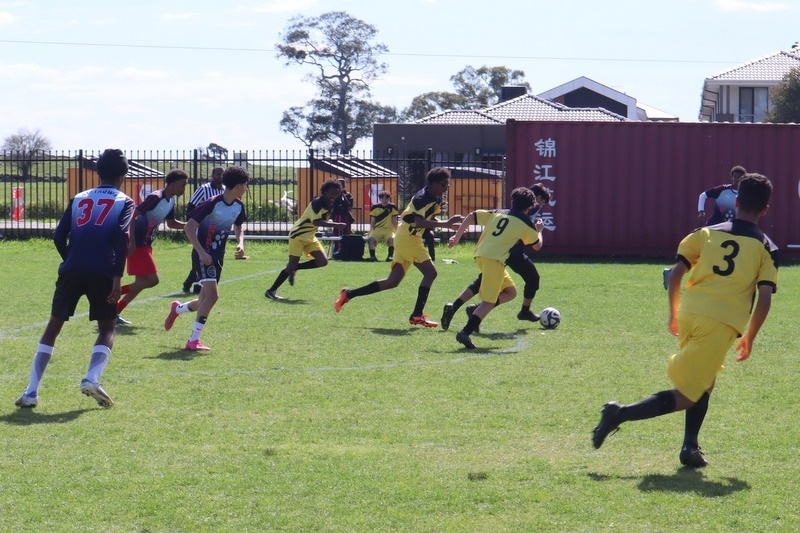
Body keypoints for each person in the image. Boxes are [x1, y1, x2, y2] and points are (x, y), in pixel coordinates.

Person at [593, 173, 777, 468]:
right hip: (721, 321)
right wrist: (750, 337)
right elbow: (764, 296)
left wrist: (673, 312)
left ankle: (690, 448)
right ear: (766, 209)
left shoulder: (706, 233)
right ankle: (619, 413)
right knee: (688, 395)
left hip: (691, 312)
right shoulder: (765, 246)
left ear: (737, 202)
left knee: (705, 382)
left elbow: (677, 273)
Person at [15, 148, 135, 408]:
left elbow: (59, 236)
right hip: (103, 272)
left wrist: (70, 258)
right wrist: (117, 277)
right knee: (107, 327)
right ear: (123, 174)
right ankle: (92, 378)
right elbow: (121, 238)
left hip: (71, 270)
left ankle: (31, 392)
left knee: (53, 327)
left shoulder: (79, 198)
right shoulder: (125, 201)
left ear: (97, 172)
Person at [334, 167, 464, 327]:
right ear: (434, 183)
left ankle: (349, 294)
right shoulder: (421, 198)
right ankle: (417, 315)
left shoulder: (435, 197)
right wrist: (447, 223)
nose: (446, 187)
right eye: (444, 184)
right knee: (431, 273)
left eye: (448, 184)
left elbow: (428, 219)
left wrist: (442, 226)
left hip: (407, 237)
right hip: (409, 239)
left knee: (392, 281)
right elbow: (418, 222)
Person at [441, 184, 550, 331]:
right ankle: (470, 326)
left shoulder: (502, 211)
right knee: (529, 279)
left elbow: (472, 215)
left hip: (486, 252)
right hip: (507, 252)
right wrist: (539, 232)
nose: (540, 205)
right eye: (541, 202)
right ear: (534, 200)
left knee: (498, 287)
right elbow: (536, 246)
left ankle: (455, 307)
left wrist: (457, 236)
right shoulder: (525, 217)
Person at [164, 166, 249, 351]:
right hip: (204, 254)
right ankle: (193, 341)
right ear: (236, 186)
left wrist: (240, 243)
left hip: (218, 256)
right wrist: (202, 252)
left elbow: (238, 226)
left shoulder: (238, 205)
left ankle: (177, 309)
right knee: (213, 296)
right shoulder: (212, 203)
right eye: (245, 185)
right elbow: (189, 227)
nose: (246, 188)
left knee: (203, 300)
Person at [116, 169, 188, 325]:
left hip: (146, 243)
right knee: (153, 280)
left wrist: (190, 226)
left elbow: (171, 223)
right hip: (138, 244)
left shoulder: (171, 201)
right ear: (174, 184)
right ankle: (113, 292)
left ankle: (115, 311)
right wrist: (132, 241)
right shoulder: (156, 197)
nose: (184, 189)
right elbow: (133, 215)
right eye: (183, 185)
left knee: (141, 283)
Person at [663, 165, 749, 290]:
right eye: (735, 176)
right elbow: (703, 195)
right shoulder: (723, 190)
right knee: (705, 255)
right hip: (714, 228)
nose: (737, 179)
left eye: (740, 177)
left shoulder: (745, 195)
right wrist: (701, 211)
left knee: (721, 256)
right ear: (731, 177)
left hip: (731, 230)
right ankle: (673, 273)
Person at [264, 179, 346, 300]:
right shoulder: (317, 203)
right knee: (291, 264)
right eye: (332, 193)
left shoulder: (331, 204)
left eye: (337, 193)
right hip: (298, 235)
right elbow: (315, 221)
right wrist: (336, 225)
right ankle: (271, 291)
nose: (334, 196)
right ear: (324, 192)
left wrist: (332, 223)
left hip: (310, 236)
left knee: (323, 261)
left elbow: (322, 219)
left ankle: (296, 268)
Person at [181, 167, 226, 293]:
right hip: (201, 231)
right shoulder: (203, 189)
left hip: (216, 232)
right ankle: (198, 285)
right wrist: (192, 226)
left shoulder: (224, 191)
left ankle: (189, 282)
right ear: (212, 175)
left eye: (222, 174)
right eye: (218, 174)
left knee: (208, 258)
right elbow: (191, 208)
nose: (220, 177)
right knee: (200, 256)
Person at [366, 190, 398, 262]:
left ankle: (390, 256)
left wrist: (397, 231)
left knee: (392, 239)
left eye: (386, 198)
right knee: (371, 239)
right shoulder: (375, 207)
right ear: (380, 199)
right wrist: (370, 232)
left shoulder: (392, 207)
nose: (385, 200)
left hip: (389, 230)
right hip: (378, 229)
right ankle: (373, 256)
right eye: (383, 198)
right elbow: (373, 221)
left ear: (389, 199)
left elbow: (394, 220)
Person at [330, 177, 355, 257]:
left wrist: (343, 195)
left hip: (345, 216)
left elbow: (349, 205)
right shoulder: (334, 195)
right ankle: (336, 249)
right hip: (336, 216)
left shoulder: (348, 195)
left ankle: (345, 250)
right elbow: (333, 205)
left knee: (346, 232)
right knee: (336, 232)